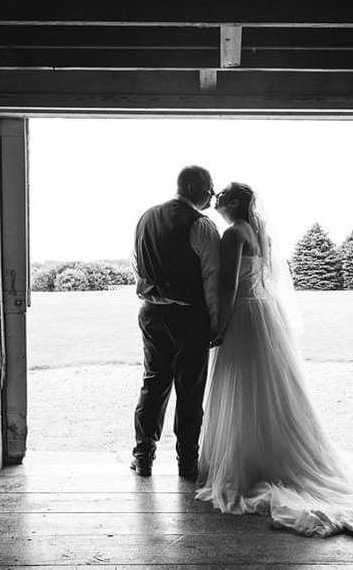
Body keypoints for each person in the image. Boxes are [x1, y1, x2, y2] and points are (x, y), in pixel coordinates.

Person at [194, 182, 353, 537]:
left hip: (242, 316)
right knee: (268, 388)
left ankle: (247, 461)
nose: (216, 201)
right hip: (265, 314)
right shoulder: (260, 232)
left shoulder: (233, 234)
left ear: (235, 203)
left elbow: (229, 287)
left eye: (222, 197)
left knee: (243, 388)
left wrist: (218, 325)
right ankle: (271, 453)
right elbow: (263, 279)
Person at [130, 165, 221, 479]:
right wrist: (215, 321)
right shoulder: (202, 226)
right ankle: (187, 462)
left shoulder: (146, 218)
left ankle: (143, 456)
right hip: (189, 316)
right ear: (196, 187)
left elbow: (138, 267)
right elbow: (211, 279)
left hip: (151, 313)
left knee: (153, 384)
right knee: (190, 390)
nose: (212, 195)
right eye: (210, 189)